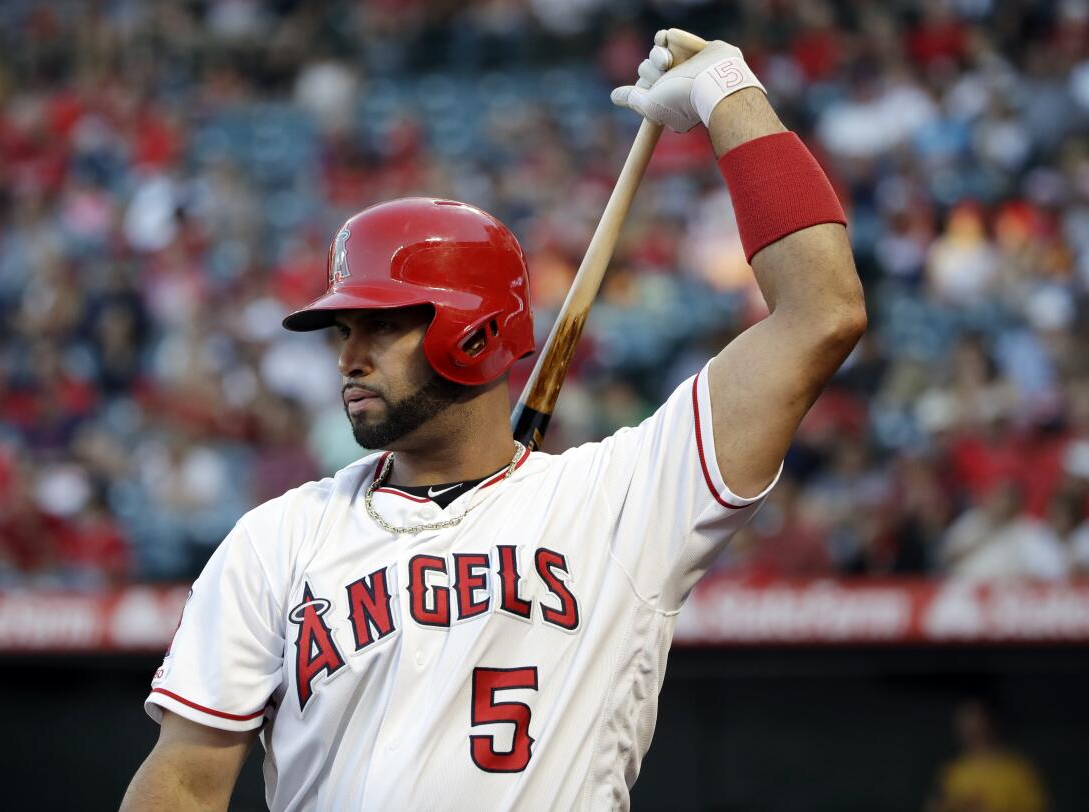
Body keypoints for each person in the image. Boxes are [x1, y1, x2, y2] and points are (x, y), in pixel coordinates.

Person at [121, 31, 865, 810]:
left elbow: (823, 311)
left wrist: (727, 90)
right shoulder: (275, 540)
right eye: (344, 332)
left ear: (474, 331)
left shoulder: (623, 501)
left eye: (381, 327)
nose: (348, 358)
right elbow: (184, 780)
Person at [927, 699, 1047, 812]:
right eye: (966, 725)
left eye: (977, 723)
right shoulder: (952, 772)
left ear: (990, 724)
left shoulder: (1018, 770)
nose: (972, 731)